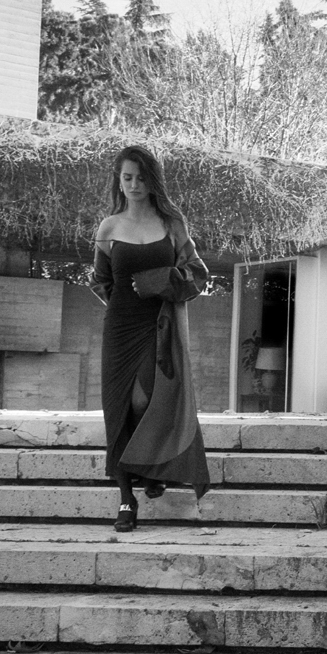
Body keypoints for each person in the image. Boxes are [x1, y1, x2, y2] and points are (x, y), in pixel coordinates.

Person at [91, 144, 211, 531]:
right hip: (120, 327)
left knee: (147, 399)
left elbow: (197, 274)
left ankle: (152, 464)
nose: (134, 185)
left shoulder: (172, 224)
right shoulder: (109, 227)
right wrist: (123, 303)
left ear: (152, 180)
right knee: (119, 408)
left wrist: (158, 282)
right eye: (127, 177)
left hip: (160, 324)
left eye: (141, 177)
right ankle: (126, 499)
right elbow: (101, 281)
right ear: (119, 180)